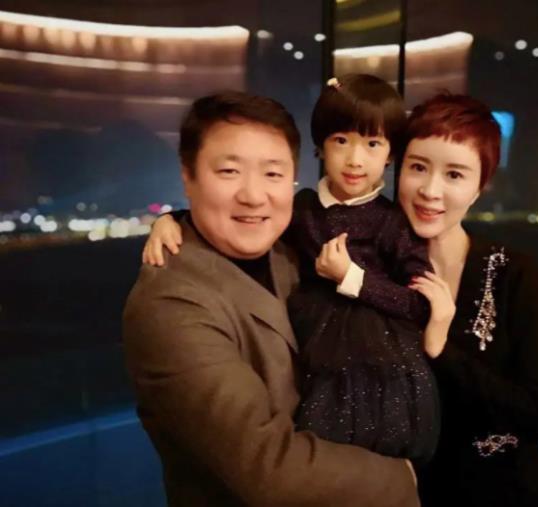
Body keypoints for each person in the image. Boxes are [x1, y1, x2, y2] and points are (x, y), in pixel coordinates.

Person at [123, 90, 419, 507]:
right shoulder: (170, 305)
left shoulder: (289, 251)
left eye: (273, 174)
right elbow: (268, 467)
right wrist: (406, 477)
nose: (253, 195)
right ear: (188, 176)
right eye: (229, 171)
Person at [402, 93, 538, 506]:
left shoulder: (514, 273)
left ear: (479, 186)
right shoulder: (377, 274)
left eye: (454, 174)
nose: (430, 190)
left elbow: (537, 414)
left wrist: (441, 349)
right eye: (418, 167)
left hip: (504, 493)